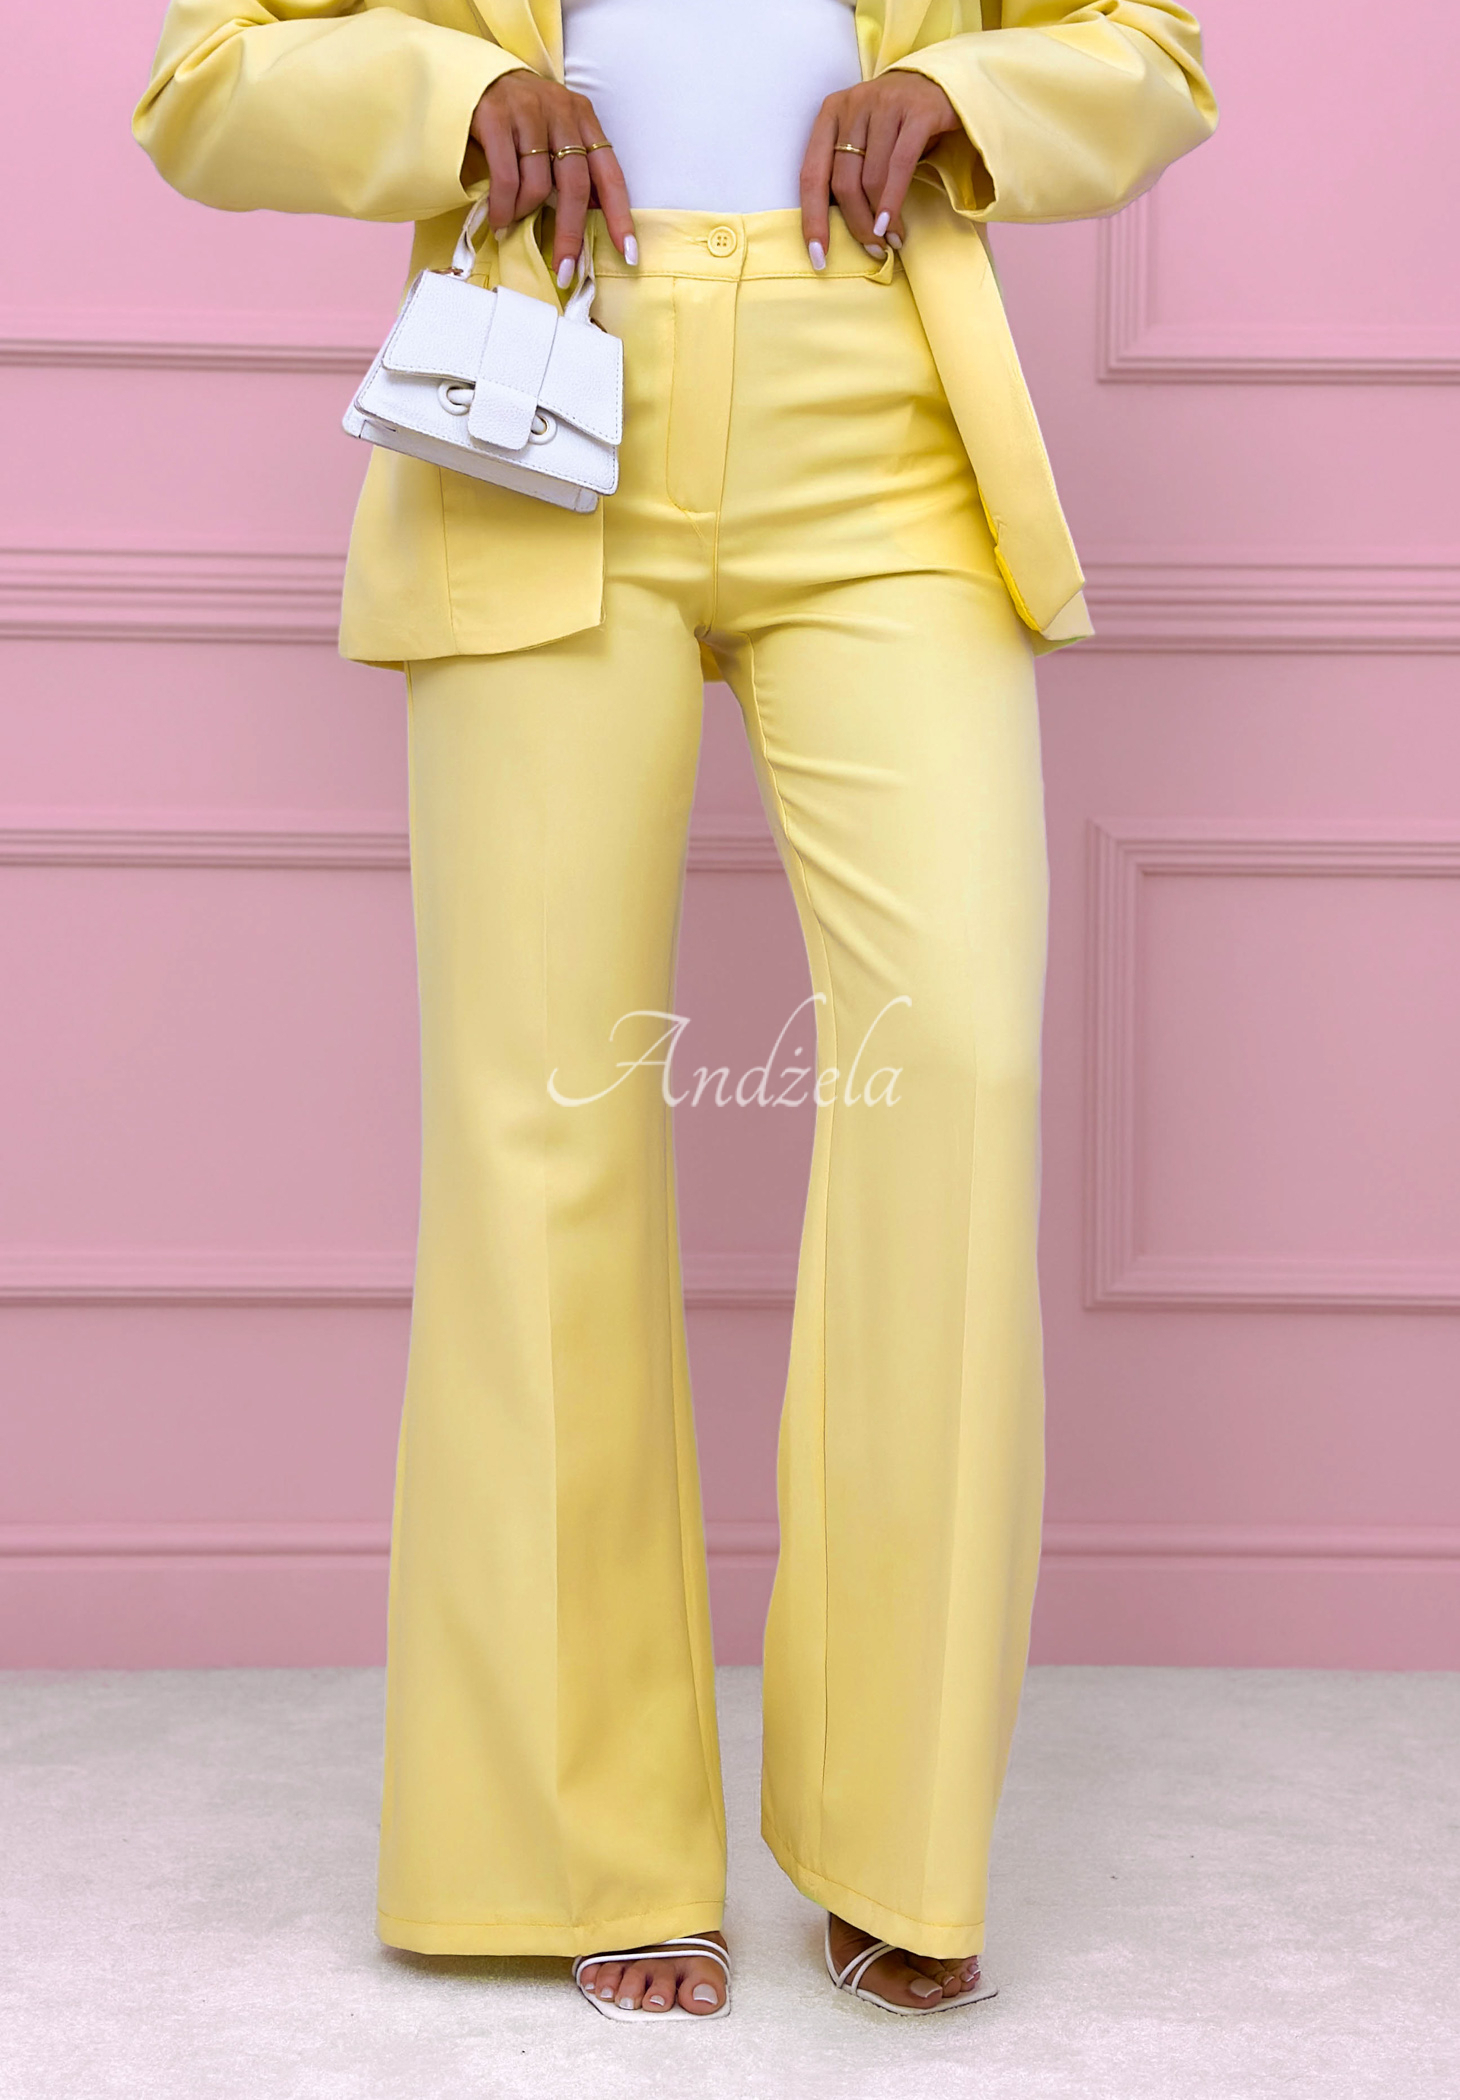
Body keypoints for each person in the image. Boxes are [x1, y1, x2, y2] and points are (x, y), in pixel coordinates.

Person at [135, 0, 1215, 2023]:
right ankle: (585, 1839)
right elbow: (202, 84)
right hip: (539, 381)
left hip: (882, 407)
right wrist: (459, 91)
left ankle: (900, 1828)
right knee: (542, 1116)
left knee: (956, 1065)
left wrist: (964, 89)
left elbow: (1152, 50)